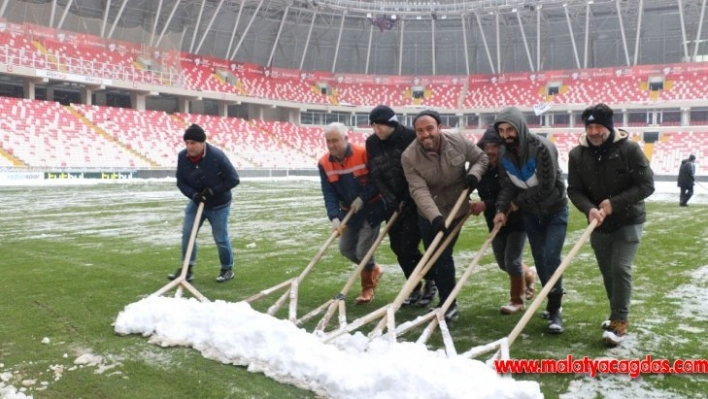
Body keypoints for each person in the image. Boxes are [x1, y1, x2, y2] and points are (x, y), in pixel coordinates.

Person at [567, 103, 655, 346]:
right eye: (590, 127)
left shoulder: (629, 149)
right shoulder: (577, 154)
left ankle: (619, 321)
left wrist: (614, 203)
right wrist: (590, 208)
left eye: (599, 127)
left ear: (609, 127)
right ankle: (616, 313)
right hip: (599, 223)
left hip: (629, 219)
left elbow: (647, 185)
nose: (594, 132)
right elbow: (574, 189)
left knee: (620, 267)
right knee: (608, 272)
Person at [401, 109, 488, 322]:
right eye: (420, 131)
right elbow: (418, 190)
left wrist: (473, 175)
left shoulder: (457, 140)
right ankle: (444, 299)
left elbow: (481, 158)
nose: (425, 134)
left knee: (442, 256)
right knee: (435, 256)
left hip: (457, 210)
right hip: (430, 213)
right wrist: (435, 217)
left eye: (430, 128)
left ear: (439, 127)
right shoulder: (409, 156)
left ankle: (448, 304)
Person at [492, 107, 568, 334]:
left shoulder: (542, 147)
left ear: (520, 127)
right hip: (531, 215)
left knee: (551, 256)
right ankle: (550, 301)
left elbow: (547, 185)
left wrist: (516, 203)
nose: (506, 135)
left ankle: (555, 311)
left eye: (510, 129)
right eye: (502, 130)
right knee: (540, 259)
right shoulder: (505, 153)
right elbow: (507, 185)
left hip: (554, 211)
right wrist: (501, 208)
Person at [366, 105, 436, 307]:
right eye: (373, 126)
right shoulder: (372, 143)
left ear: (392, 124)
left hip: (416, 200)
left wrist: (407, 197)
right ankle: (413, 287)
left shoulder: (410, 137)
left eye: (380, 126)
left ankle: (431, 280)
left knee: (410, 244)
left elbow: (419, 170)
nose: (377, 130)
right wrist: (391, 199)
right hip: (392, 202)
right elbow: (375, 174)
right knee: (398, 247)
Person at [469, 127, 536, 315]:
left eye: (494, 146)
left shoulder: (510, 166)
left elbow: (511, 193)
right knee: (503, 263)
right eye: (486, 146)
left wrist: (487, 204)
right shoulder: (481, 167)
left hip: (516, 219)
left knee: (512, 260)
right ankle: (528, 275)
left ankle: (517, 300)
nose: (490, 150)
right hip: (494, 220)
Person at [318, 122, 386, 304]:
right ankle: (374, 269)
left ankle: (367, 288)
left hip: (372, 208)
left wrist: (363, 197)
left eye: (335, 141)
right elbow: (329, 192)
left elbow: (376, 180)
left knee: (364, 251)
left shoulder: (362, 153)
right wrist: (333, 216)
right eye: (328, 141)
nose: (332, 145)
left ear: (346, 139)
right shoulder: (324, 163)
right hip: (349, 212)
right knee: (346, 249)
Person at [169, 124, 240, 283]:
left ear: (202, 143)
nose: (189, 146)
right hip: (197, 202)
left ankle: (227, 269)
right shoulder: (182, 157)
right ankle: (187, 269)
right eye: (187, 142)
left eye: (193, 143)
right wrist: (193, 195)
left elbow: (234, 179)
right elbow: (181, 182)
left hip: (219, 204)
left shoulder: (216, 156)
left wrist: (213, 191)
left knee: (220, 237)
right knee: (188, 233)